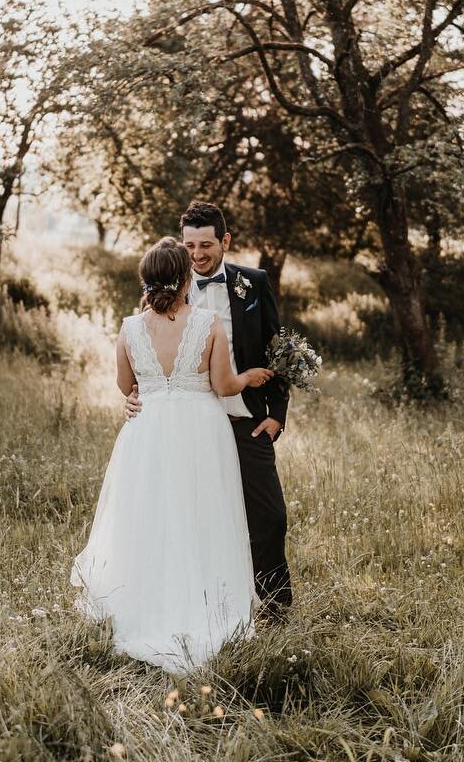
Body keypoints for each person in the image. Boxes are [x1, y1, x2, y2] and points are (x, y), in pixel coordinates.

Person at [70, 236, 275, 673]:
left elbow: (127, 386)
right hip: (200, 428)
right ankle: (204, 606)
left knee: (148, 517)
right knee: (202, 516)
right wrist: (250, 377)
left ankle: (142, 605)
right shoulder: (207, 324)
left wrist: (147, 389)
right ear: (185, 278)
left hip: (146, 431)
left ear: (146, 280)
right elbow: (223, 386)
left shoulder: (128, 328)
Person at [126, 201, 294, 621]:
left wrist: (277, 414)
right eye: (189, 246)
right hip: (189, 428)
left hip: (245, 422)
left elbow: (278, 351)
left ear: (225, 241)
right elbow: (145, 357)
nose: (197, 254)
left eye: (205, 244)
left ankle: (273, 608)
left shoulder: (253, 284)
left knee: (269, 518)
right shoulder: (160, 293)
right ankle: (206, 606)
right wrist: (132, 395)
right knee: (195, 520)